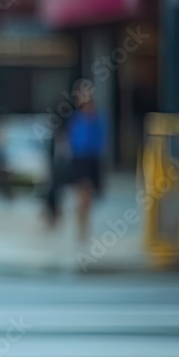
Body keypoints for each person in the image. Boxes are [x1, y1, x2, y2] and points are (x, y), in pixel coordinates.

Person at [66, 79, 105, 241]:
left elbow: (101, 139)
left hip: (92, 158)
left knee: (88, 195)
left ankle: (84, 221)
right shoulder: (76, 118)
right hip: (80, 159)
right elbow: (73, 140)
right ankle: (82, 225)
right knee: (83, 192)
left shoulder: (98, 118)